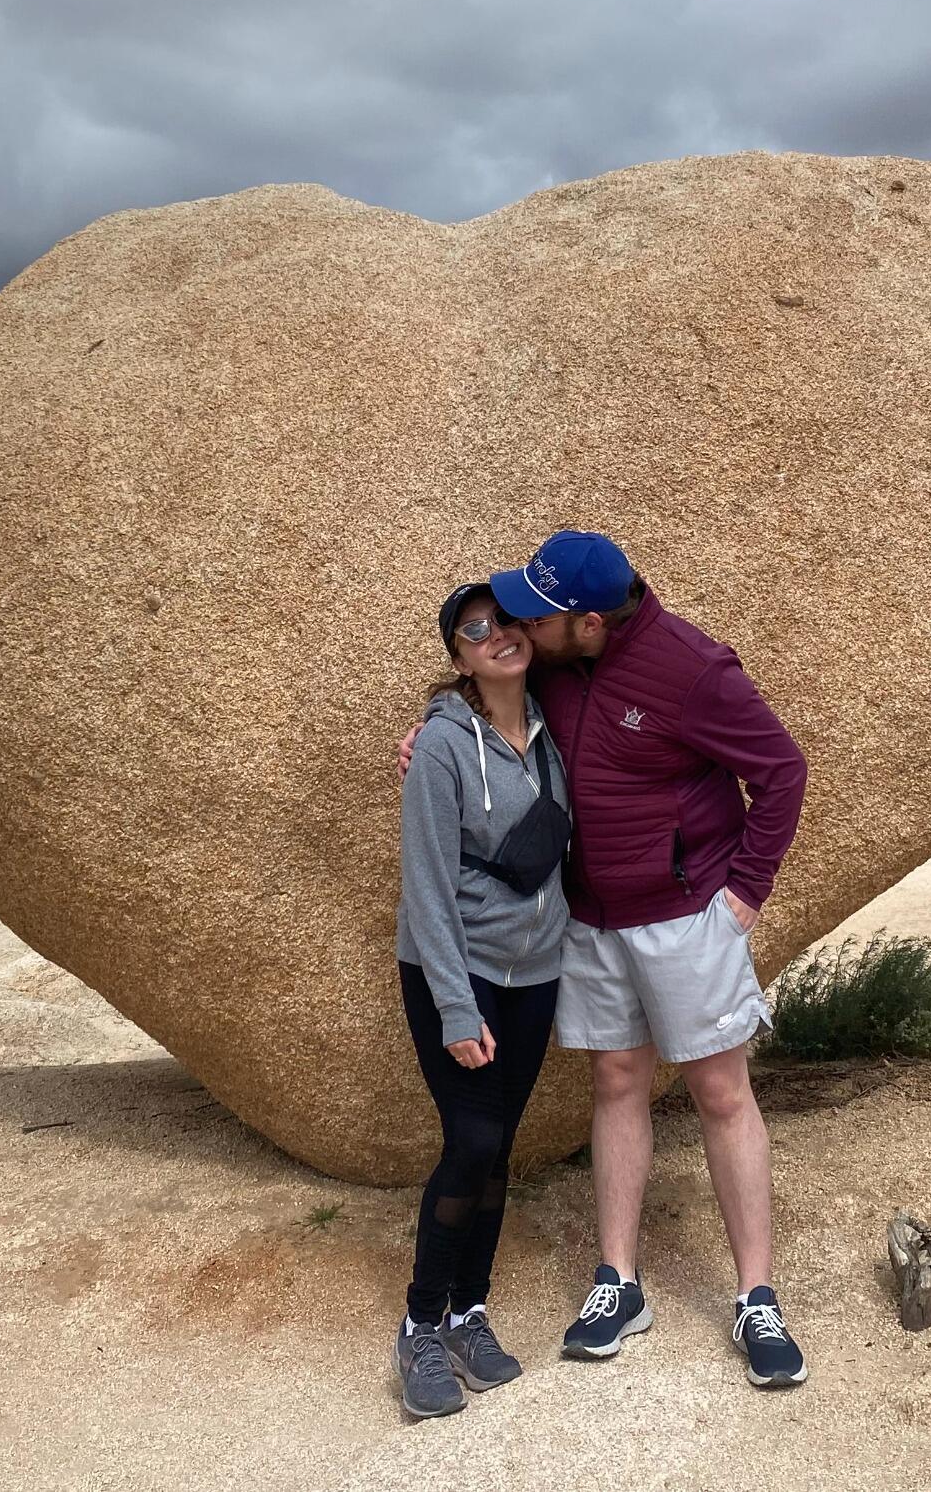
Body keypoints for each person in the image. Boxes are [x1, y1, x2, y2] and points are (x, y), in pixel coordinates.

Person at [489, 530, 810, 1389]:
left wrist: (743, 893)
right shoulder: (553, 665)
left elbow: (781, 770)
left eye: (540, 610)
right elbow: (486, 707)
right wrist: (432, 742)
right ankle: (618, 1283)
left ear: (589, 622)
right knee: (618, 1083)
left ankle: (756, 1297)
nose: (522, 618)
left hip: (683, 918)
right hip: (589, 917)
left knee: (720, 1093)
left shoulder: (694, 669)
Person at [391, 582, 574, 1419]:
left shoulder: (553, 723)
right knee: (469, 1140)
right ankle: (421, 1324)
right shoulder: (440, 745)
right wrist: (457, 1009)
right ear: (458, 656)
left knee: (500, 1146)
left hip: (534, 976)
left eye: (505, 620)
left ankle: (470, 1312)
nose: (497, 634)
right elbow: (426, 884)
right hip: (455, 975)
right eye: (476, 629)